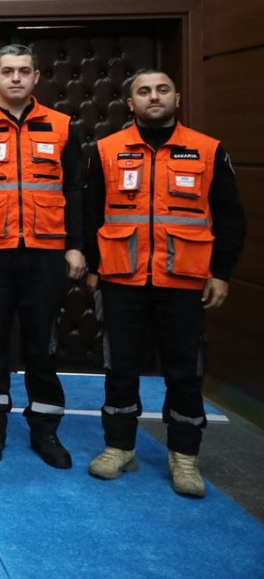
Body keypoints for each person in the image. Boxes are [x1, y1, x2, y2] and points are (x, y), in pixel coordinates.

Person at [84, 69, 245, 497]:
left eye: (162, 90)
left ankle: (184, 457)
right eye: (144, 91)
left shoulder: (208, 149)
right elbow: (89, 212)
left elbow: (230, 216)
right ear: (130, 103)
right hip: (122, 277)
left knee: (184, 371)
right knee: (119, 366)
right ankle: (119, 447)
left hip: (183, 279)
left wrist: (221, 272)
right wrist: (94, 267)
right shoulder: (106, 150)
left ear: (177, 98)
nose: (153, 97)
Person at [0, 44, 86, 469]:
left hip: (45, 251)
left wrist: (76, 244)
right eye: (7, 71)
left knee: (42, 344)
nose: (15, 78)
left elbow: (74, 189)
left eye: (23, 71)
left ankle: (45, 429)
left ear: (36, 77)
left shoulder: (62, 126)